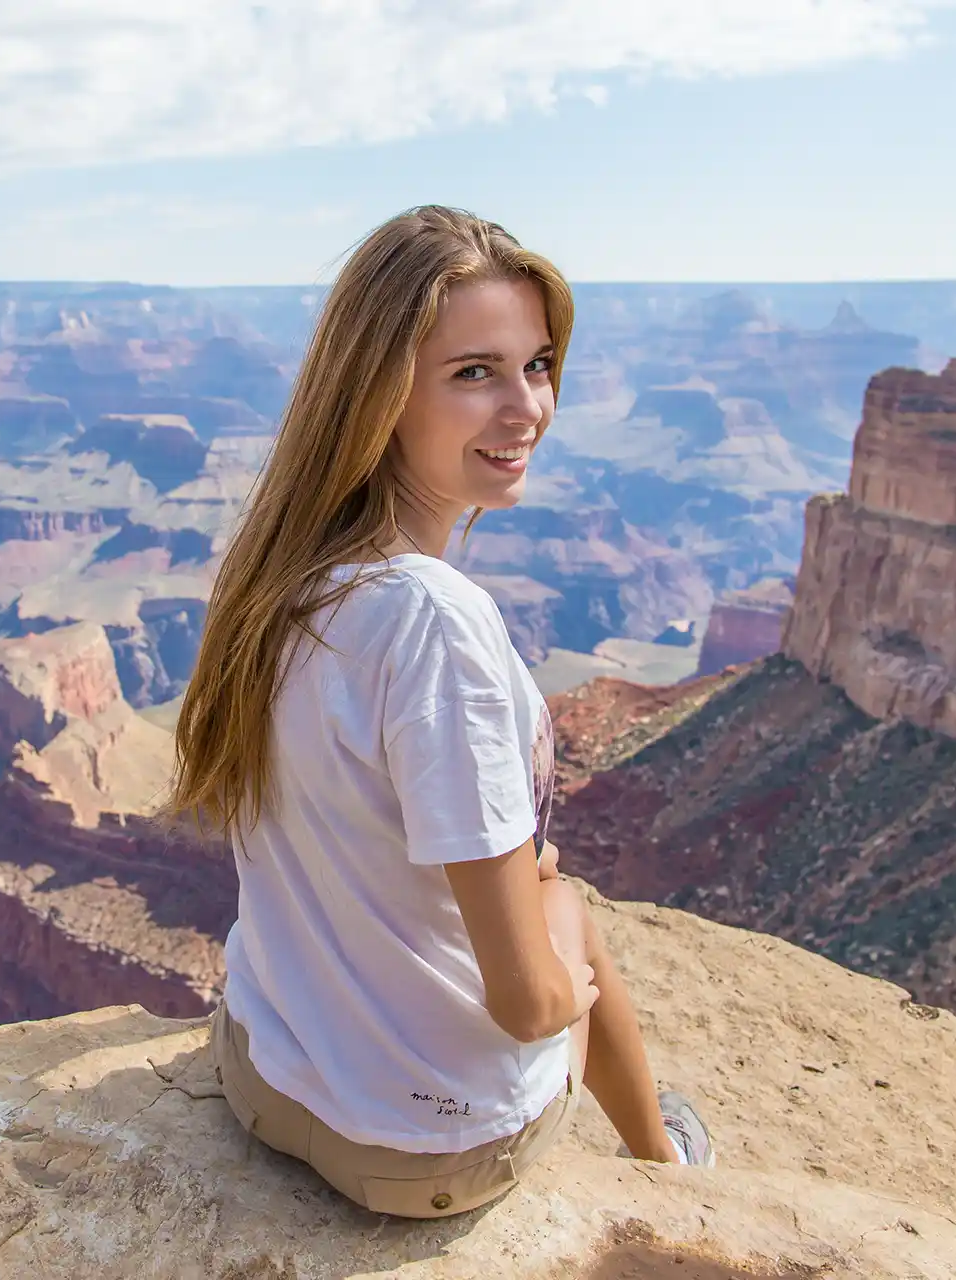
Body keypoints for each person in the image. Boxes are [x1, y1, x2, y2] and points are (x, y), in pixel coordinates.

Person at [164, 205, 714, 1220]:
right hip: (423, 1149)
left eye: (538, 364)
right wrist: (570, 986)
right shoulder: (435, 620)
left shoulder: (283, 578)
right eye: (475, 373)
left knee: (540, 895)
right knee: (571, 914)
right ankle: (668, 1163)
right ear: (378, 392)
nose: (528, 409)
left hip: (266, 1076)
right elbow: (524, 1001)